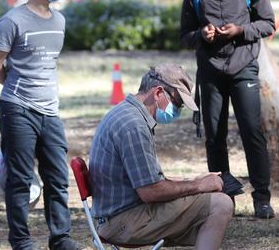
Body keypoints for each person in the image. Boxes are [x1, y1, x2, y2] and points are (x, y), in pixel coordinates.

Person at [0, 0, 83, 250]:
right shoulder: (12, 21)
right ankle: (21, 241)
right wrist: (16, 88)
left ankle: (61, 238)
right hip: (18, 109)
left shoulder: (60, 21)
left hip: (50, 111)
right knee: (19, 179)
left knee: (57, 176)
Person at [180, 0, 276, 219]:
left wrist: (241, 31)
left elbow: (268, 24)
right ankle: (224, 197)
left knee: (251, 132)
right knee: (214, 137)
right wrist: (202, 34)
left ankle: (262, 198)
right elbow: (185, 36)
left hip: (243, 67)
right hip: (211, 73)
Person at [88, 64, 233, 249]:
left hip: (117, 215)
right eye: (178, 103)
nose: (178, 110)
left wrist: (194, 182)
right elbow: (150, 192)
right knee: (221, 204)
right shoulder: (134, 126)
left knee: (206, 203)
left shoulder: (127, 113)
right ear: (158, 93)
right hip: (124, 221)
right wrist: (198, 185)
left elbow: (148, 181)